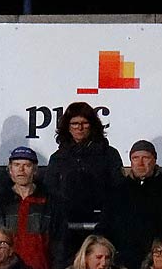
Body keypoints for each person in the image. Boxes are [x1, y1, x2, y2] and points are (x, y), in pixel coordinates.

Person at [0, 146, 64, 269]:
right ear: (10, 170)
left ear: (35, 170)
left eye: (26, 165)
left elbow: (60, 242)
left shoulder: (50, 202)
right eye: (17, 165)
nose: (21, 170)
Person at [111, 139, 162, 269]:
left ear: (154, 160)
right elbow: (107, 226)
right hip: (126, 262)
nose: (140, 163)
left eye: (145, 157)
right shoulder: (117, 193)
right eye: (135, 158)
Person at [44, 101, 123, 235]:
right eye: (75, 123)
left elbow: (118, 189)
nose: (79, 128)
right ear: (67, 127)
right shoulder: (57, 158)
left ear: (92, 125)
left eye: (84, 123)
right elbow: (50, 191)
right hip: (65, 226)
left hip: (101, 225)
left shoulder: (109, 154)